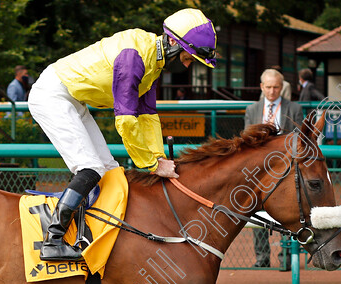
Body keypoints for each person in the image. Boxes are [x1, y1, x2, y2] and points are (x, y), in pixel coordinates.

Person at [28, 8, 217, 261]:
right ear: (173, 41)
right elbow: (126, 120)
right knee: (90, 168)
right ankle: (53, 240)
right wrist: (149, 164)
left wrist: (159, 159)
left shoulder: (153, 63)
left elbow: (148, 117)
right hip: (53, 94)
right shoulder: (134, 57)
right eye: (189, 56)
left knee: (109, 169)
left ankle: (89, 233)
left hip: (75, 100)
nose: (188, 62)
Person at [245, 68, 303, 270]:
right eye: (268, 87)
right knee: (257, 213)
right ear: (262, 87)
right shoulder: (252, 110)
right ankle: (262, 258)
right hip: (259, 172)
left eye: (276, 87)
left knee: (286, 213)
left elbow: (298, 140)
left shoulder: (294, 109)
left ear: (282, 87)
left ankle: (286, 258)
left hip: (284, 170)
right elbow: (246, 141)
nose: (272, 91)